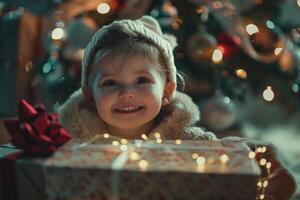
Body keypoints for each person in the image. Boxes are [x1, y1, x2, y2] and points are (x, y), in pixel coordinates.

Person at [58, 15, 296, 199]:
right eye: (110, 83)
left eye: (142, 80)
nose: (126, 92)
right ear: (90, 95)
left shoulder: (184, 139)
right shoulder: (76, 141)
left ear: (166, 92)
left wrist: (264, 162)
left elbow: (228, 152)